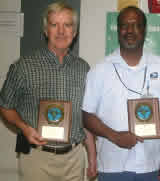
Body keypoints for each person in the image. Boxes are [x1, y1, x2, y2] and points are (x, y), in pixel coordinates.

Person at [0, 2, 97, 181]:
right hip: (37, 158)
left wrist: (92, 156)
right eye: (54, 25)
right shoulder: (23, 66)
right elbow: (5, 106)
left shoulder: (84, 69)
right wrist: (23, 128)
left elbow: (86, 117)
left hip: (74, 158)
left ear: (74, 32)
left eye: (67, 25)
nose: (61, 31)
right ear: (46, 30)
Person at [82, 6, 160, 181]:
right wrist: (114, 136)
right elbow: (86, 116)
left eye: (136, 25)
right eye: (124, 25)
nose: (130, 30)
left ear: (144, 30)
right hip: (112, 165)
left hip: (152, 164)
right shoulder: (99, 70)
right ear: (118, 30)